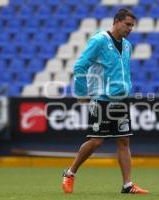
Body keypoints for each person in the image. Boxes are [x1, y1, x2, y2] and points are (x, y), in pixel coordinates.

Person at [62, 8, 149, 195]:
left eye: (132, 25)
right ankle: (70, 173)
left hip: (121, 98)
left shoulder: (127, 46)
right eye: (127, 24)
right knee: (96, 141)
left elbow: (123, 71)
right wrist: (81, 92)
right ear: (116, 21)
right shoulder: (99, 40)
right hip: (101, 98)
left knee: (124, 141)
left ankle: (127, 185)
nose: (130, 28)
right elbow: (80, 66)